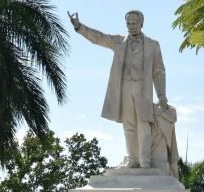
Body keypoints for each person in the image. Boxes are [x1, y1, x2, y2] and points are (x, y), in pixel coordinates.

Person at [69, 10, 167, 170]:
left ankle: (145, 162)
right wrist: (79, 27)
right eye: (128, 23)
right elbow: (99, 38)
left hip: (143, 89)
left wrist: (161, 94)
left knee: (144, 123)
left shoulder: (153, 45)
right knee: (129, 125)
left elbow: (159, 71)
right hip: (124, 88)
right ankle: (132, 159)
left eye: (134, 23)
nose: (131, 26)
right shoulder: (119, 41)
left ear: (142, 23)